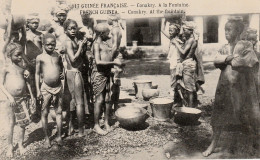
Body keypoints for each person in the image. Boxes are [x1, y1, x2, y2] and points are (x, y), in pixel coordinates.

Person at [202, 17, 260, 157]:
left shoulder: (246, 45)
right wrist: (229, 58)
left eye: (229, 30)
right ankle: (214, 143)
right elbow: (216, 61)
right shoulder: (224, 47)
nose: (226, 33)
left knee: (249, 114)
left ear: (238, 31)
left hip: (242, 86)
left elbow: (249, 61)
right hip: (225, 85)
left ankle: (254, 141)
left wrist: (227, 59)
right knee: (219, 114)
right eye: (225, 30)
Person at [0, 42, 36, 157]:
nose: (20, 57)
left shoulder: (22, 68)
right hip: (11, 100)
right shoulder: (5, 68)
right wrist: (9, 96)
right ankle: (10, 146)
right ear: (10, 55)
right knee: (11, 123)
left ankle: (20, 144)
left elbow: (28, 83)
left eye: (21, 54)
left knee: (22, 124)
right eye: (17, 55)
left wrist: (32, 96)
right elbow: (1, 84)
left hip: (22, 98)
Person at [91, 23, 123, 135]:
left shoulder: (105, 43)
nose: (109, 35)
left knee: (108, 99)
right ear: (101, 33)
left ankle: (107, 123)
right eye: (107, 33)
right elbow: (98, 62)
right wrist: (113, 62)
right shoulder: (96, 44)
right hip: (99, 74)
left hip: (107, 73)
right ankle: (96, 125)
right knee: (99, 100)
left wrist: (115, 65)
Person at [35, 33, 64, 148]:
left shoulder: (57, 55)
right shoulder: (40, 57)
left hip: (58, 87)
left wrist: (61, 74)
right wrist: (37, 90)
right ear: (43, 45)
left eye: (53, 44)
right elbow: (37, 74)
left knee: (59, 111)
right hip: (45, 88)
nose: (51, 46)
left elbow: (60, 67)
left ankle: (60, 136)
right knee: (45, 112)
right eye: (48, 45)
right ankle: (47, 138)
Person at [63, 19, 88, 137]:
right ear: (65, 30)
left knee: (72, 102)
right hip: (74, 73)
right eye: (70, 28)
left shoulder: (74, 40)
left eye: (74, 28)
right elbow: (73, 59)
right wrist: (80, 46)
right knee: (79, 103)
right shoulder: (68, 42)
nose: (73, 30)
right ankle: (81, 130)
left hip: (72, 72)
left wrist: (82, 45)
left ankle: (71, 127)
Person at [172, 21, 198, 107]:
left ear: (190, 31)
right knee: (180, 86)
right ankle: (185, 105)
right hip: (185, 64)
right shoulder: (188, 40)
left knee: (189, 88)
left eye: (185, 30)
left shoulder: (191, 40)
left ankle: (190, 109)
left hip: (188, 65)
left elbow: (183, 52)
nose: (183, 32)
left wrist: (176, 44)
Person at [107, 14, 124, 116]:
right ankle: (114, 107)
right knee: (115, 83)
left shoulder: (114, 30)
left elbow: (115, 46)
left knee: (115, 83)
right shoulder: (116, 29)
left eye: (107, 18)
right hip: (116, 57)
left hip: (115, 57)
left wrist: (109, 59)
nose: (106, 20)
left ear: (112, 19)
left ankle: (115, 108)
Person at [161, 18, 181, 97]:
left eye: (171, 30)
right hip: (172, 59)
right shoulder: (171, 38)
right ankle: (174, 89)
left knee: (176, 75)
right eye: (169, 30)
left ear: (177, 31)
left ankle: (174, 89)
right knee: (173, 75)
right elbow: (162, 30)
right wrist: (163, 21)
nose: (169, 32)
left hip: (177, 59)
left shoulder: (179, 39)